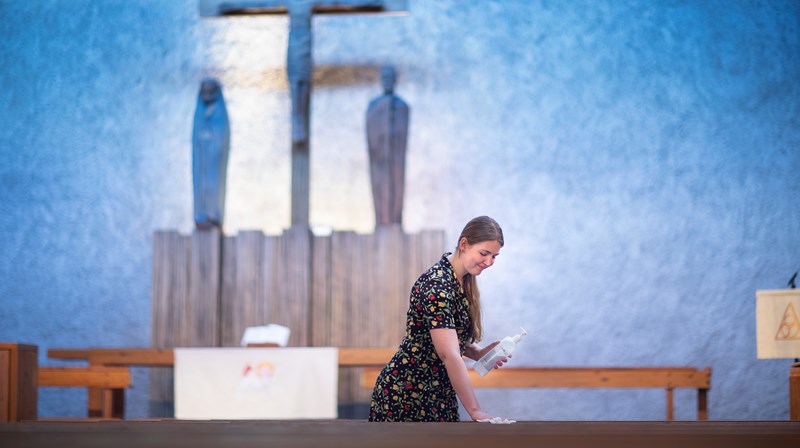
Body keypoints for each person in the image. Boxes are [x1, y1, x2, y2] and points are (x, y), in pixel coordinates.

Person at [369, 216, 511, 422]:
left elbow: (449, 336)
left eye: (494, 256)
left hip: (437, 391)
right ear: (464, 244)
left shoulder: (462, 281)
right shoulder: (438, 286)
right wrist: (475, 410)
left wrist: (479, 353)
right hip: (408, 392)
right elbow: (449, 354)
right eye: (484, 253)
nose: (489, 262)